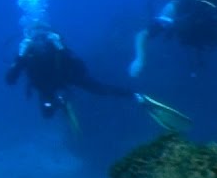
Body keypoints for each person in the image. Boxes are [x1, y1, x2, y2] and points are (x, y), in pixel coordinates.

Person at [8, 23, 138, 124]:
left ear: (49, 35)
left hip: (66, 77)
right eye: (35, 37)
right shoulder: (26, 54)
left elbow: (80, 69)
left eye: (43, 36)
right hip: (45, 87)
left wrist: (61, 48)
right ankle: (62, 101)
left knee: (99, 89)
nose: (40, 41)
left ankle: (135, 95)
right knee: (48, 113)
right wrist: (20, 56)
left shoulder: (56, 47)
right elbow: (10, 80)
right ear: (29, 38)